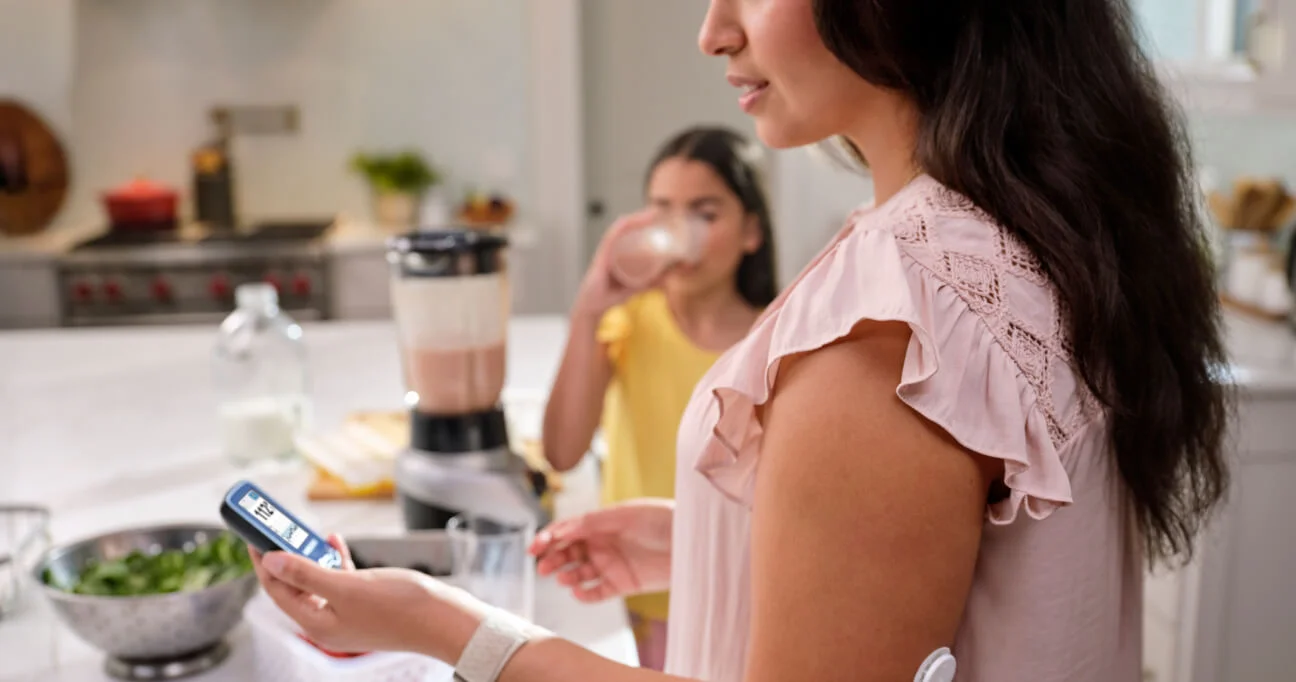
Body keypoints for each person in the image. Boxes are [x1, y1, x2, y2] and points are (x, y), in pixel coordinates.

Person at [248, 0, 1231, 680]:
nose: (713, 30)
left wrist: (439, 624)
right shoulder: (1033, 239)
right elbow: (956, 569)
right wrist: (722, 538)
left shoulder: (892, 322)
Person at [541, 125, 777, 670]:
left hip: (735, 594)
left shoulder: (775, 342)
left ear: (752, 231)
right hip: (637, 600)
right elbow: (561, 452)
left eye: (705, 213)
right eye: (662, 211)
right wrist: (588, 308)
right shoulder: (624, 323)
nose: (681, 232)